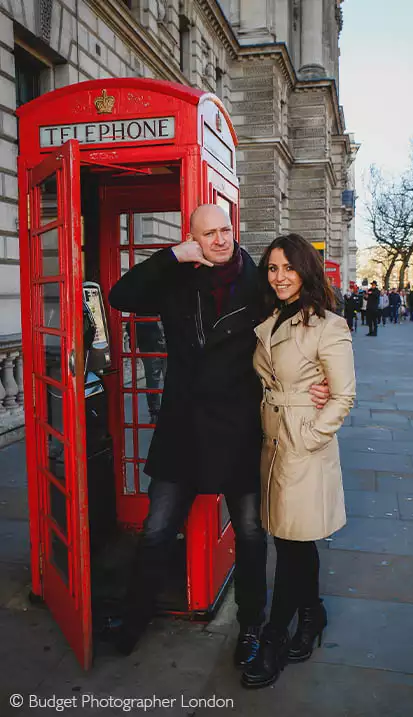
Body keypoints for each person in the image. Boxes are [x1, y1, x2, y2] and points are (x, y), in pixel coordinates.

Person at [107, 205, 330, 660]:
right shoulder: (177, 277)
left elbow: (309, 318)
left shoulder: (260, 282)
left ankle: (251, 625)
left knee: (249, 533)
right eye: (208, 234)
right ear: (194, 239)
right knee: (156, 529)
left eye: (225, 229)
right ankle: (133, 618)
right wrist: (172, 256)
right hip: (183, 429)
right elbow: (120, 295)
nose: (220, 239)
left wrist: (321, 377)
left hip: (241, 429)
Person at [241, 234, 356, 689]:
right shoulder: (270, 318)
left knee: (290, 544)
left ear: (305, 270)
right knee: (294, 540)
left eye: (288, 267)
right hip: (272, 441)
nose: (280, 276)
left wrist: (311, 436)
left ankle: (273, 637)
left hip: (302, 445)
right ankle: (313, 615)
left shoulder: (328, 325)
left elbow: (343, 393)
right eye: (272, 268)